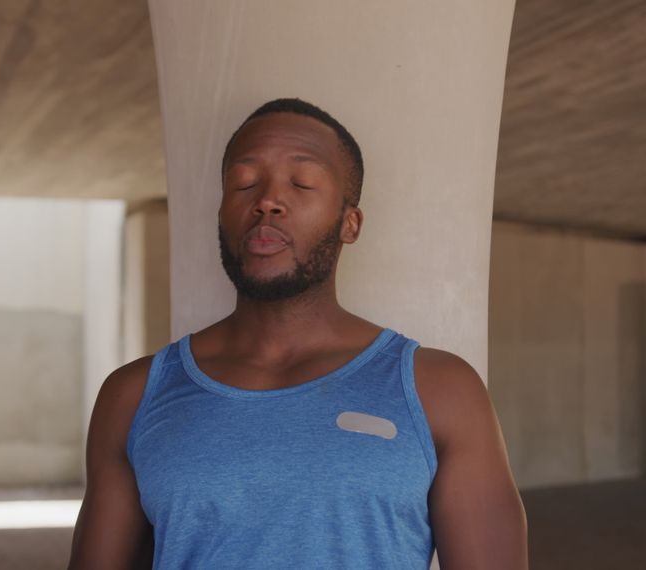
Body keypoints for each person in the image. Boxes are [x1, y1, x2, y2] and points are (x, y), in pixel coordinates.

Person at [68, 98, 527, 569]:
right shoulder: (133, 395)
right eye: (244, 183)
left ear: (350, 223)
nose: (266, 200)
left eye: (302, 183)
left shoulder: (441, 390)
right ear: (222, 214)